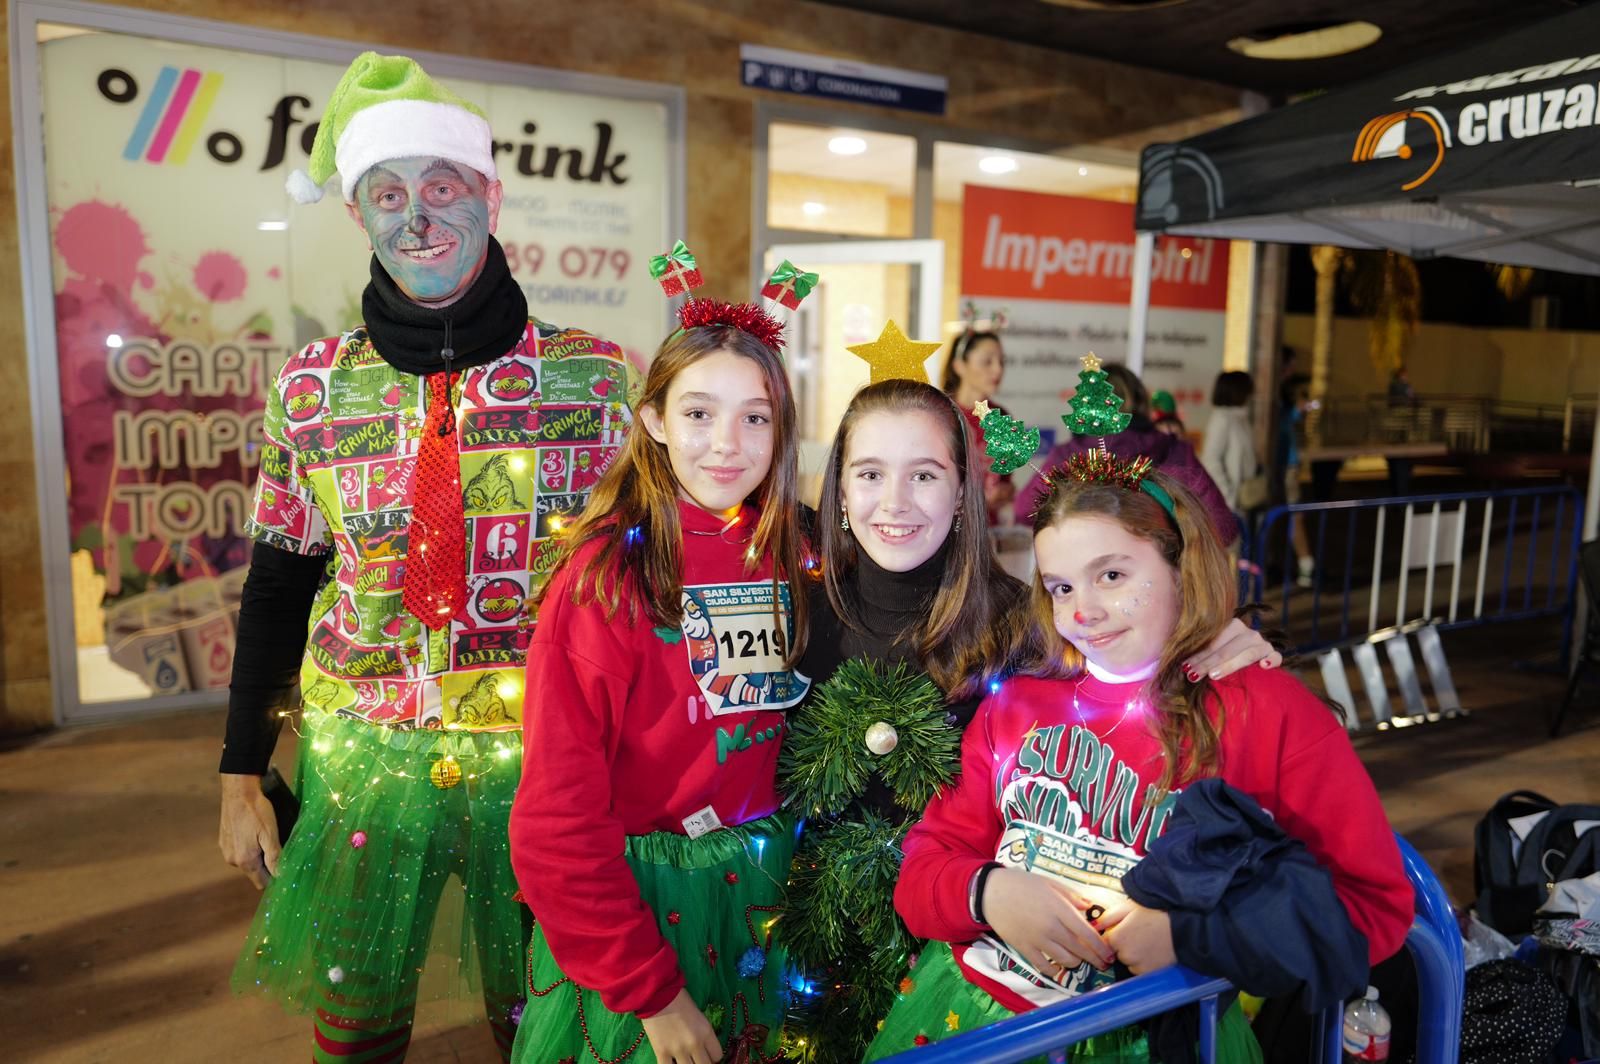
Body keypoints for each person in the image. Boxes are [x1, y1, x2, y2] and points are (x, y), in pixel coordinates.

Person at [217, 53, 631, 1061]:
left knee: (543, 1021)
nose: (418, 217)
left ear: (490, 194)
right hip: (363, 755)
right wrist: (239, 771)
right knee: (358, 1024)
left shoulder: (598, 379)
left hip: (549, 754)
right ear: (357, 213)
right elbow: (278, 581)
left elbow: (644, 574)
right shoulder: (312, 388)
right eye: (388, 194)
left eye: (442, 187)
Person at [785, 379, 1283, 1060]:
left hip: (980, 970)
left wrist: (1208, 638)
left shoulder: (1033, 628)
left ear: (963, 491)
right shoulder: (798, 612)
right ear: (839, 488)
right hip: (808, 954)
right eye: (870, 473)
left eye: (924, 474)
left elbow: (1132, 666)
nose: (894, 501)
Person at [867, 460, 1413, 1061]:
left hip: (1159, 1040)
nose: (1083, 612)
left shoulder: (1266, 712)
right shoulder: (1017, 700)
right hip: (974, 1021)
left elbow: (1374, 908)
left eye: (1112, 575)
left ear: (1181, 566)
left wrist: (1194, 937)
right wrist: (987, 892)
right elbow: (923, 870)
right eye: (1061, 587)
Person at [507, 305, 810, 1064]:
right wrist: (650, 991)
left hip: (771, 891)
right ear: (654, 421)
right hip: (647, 908)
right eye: (699, 413)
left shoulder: (794, 550)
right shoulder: (606, 579)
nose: (727, 443)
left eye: (755, 418)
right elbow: (555, 817)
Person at [1016, 362, 1235, 544]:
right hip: (1162, 577)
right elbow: (1223, 528)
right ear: (1142, 403)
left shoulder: (1068, 455)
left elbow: (1023, 511)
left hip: (1083, 574)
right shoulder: (1174, 451)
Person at [941, 329, 1015, 523]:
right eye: (987, 361)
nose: (998, 370)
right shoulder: (940, 415)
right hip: (946, 527)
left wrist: (1003, 493)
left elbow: (1005, 481)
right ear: (959, 366)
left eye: (1002, 362)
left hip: (987, 528)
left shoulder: (1001, 417)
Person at [1200, 371, 1260, 515]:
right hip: (1229, 504)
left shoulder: (1241, 418)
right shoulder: (1222, 418)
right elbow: (1211, 460)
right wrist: (1228, 497)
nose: (1252, 395)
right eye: (1248, 389)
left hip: (1244, 499)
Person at [1277, 374, 1315, 588]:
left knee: (1294, 516)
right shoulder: (1284, 412)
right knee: (1294, 516)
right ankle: (1305, 563)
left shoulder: (1285, 412)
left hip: (1287, 468)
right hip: (1286, 468)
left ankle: (1306, 564)